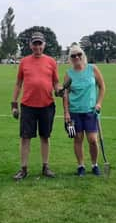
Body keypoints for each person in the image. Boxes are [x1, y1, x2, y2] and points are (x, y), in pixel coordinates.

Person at [11, 32, 61, 180]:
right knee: (25, 138)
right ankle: (23, 168)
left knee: (45, 137)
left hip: (47, 105)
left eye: (40, 43)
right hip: (28, 106)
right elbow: (18, 84)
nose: (37, 46)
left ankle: (45, 167)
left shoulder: (51, 61)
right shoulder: (24, 62)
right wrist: (14, 104)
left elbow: (55, 82)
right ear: (30, 45)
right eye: (35, 43)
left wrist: (58, 90)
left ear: (44, 44)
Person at [62, 45, 106, 176]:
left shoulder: (92, 69)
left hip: (91, 111)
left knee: (93, 140)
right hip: (75, 112)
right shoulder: (68, 74)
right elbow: (65, 94)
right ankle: (81, 166)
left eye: (79, 54)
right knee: (78, 139)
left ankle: (94, 164)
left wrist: (99, 103)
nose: (77, 57)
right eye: (73, 55)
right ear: (70, 58)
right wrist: (66, 113)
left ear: (83, 55)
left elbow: (102, 86)